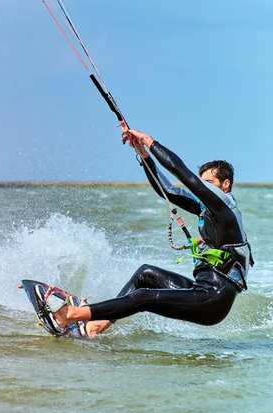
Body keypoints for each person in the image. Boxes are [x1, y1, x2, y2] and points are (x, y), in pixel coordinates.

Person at [45, 129, 253, 337]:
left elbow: (184, 174)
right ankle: (96, 327)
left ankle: (73, 314)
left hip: (214, 299)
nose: (202, 189)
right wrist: (144, 154)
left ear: (225, 185)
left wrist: (151, 142)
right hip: (202, 289)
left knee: (144, 297)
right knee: (146, 274)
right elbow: (168, 190)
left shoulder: (226, 206)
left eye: (208, 184)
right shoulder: (207, 209)